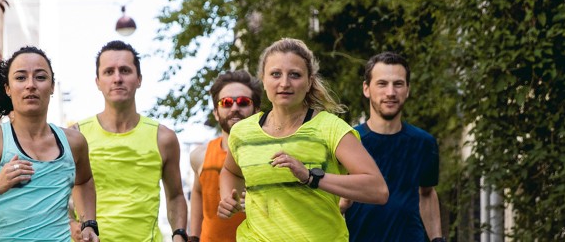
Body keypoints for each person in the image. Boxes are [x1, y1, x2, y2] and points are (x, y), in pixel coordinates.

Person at [217, 38, 388, 241]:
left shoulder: (330, 128)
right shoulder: (242, 132)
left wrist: (311, 177)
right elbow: (230, 171)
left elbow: (377, 189)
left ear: (309, 82)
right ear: (263, 80)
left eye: (295, 75)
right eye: (275, 74)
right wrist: (228, 197)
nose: (284, 83)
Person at [0, 46, 100, 242]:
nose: (30, 85)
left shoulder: (74, 142)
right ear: (7, 88)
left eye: (40, 77)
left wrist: (88, 224)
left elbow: (84, 181)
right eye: (20, 78)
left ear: (52, 86)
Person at [73, 40, 188, 242]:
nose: (117, 78)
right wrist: (71, 225)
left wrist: (179, 234)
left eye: (125, 71)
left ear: (139, 79)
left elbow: (176, 196)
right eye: (109, 72)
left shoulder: (164, 138)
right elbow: (54, 198)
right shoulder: (76, 136)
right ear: (98, 81)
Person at [342, 52, 444, 242]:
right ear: (366, 89)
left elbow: (427, 193)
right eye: (382, 84)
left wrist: (437, 239)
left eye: (398, 84)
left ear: (407, 89)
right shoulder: (347, 142)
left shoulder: (424, 142)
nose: (390, 92)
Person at [187, 70, 262, 242]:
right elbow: (198, 192)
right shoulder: (199, 156)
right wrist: (193, 237)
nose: (234, 108)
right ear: (216, 112)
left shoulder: (270, 153)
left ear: (256, 110)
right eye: (226, 102)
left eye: (243, 102)